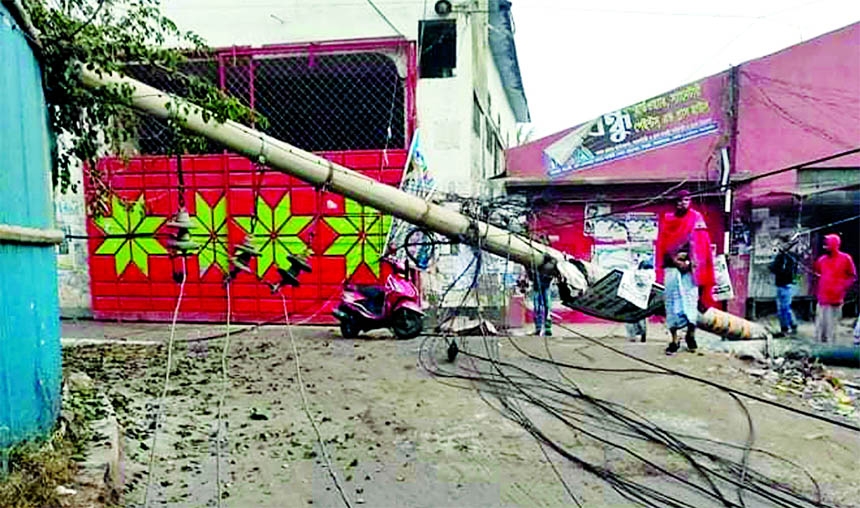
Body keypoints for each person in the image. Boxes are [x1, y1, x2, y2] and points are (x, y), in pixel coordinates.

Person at [655, 190, 715, 355]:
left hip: (691, 269)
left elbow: (702, 245)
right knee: (671, 304)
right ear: (675, 203)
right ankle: (674, 340)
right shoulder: (668, 220)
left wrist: (689, 262)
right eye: (680, 200)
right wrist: (675, 260)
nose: (683, 203)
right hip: (672, 267)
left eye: (686, 200)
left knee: (690, 302)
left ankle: (690, 336)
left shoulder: (696, 219)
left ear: (690, 201)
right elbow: (663, 244)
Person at [813, 233, 856, 344]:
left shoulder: (846, 258)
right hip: (822, 298)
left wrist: (841, 287)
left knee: (831, 328)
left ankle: (830, 350)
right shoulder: (821, 260)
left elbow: (852, 276)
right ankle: (819, 350)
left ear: (834, 244)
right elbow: (816, 274)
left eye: (827, 244)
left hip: (835, 299)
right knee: (820, 327)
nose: (825, 246)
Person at [769, 234, 798, 337]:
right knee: (783, 308)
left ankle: (788, 327)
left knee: (784, 308)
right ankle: (788, 326)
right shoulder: (782, 256)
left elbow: (781, 270)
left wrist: (794, 282)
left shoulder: (789, 256)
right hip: (782, 284)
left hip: (787, 284)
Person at [625, 259, 654, 342]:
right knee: (642, 318)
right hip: (644, 298)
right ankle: (642, 334)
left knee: (630, 317)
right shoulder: (651, 274)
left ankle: (633, 336)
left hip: (634, 296)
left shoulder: (636, 273)